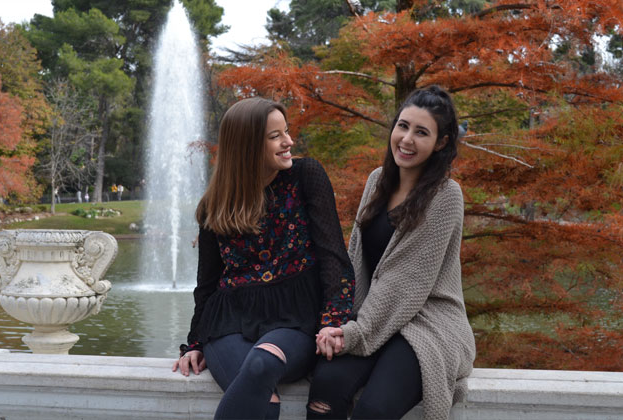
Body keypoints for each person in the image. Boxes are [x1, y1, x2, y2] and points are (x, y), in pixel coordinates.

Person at [172, 97, 355, 420]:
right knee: (263, 398)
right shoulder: (214, 205)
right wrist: (196, 342)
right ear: (246, 146)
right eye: (275, 136)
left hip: (294, 318)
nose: (289, 142)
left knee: (261, 364)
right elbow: (208, 284)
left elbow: (332, 256)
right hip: (228, 322)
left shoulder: (306, 176)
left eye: (286, 132)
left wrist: (333, 322)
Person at [306, 85, 475, 420]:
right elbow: (355, 260)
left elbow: (407, 281)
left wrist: (353, 334)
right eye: (403, 126)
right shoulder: (377, 181)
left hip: (427, 322)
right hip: (373, 316)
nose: (407, 139)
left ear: (441, 143)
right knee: (325, 390)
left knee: (374, 409)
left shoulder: (446, 196)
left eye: (421, 132)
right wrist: (338, 320)